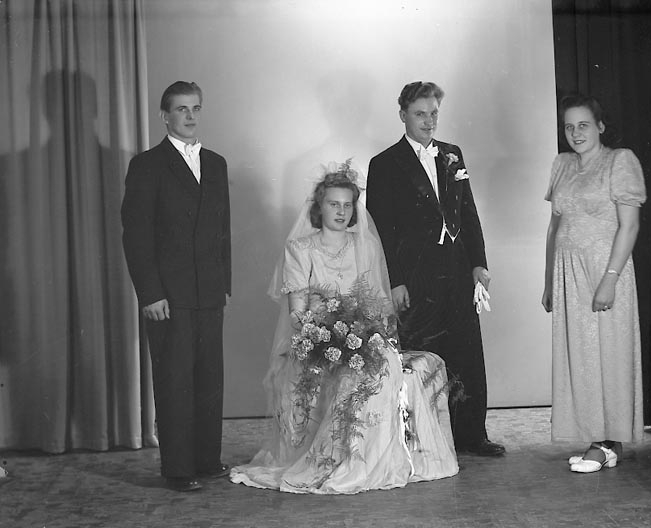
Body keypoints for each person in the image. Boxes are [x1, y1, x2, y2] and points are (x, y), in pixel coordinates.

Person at [229, 161, 458, 494]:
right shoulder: (300, 249)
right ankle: (345, 461)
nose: (340, 211)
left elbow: (379, 305)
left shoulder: (366, 246)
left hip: (361, 338)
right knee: (357, 374)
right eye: (333, 204)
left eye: (347, 205)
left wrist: (369, 336)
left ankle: (375, 460)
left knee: (395, 365)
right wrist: (327, 338)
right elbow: (298, 316)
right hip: (317, 343)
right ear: (319, 207)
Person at [366, 81, 504, 457]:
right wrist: (395, 281)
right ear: (403, 115)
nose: (428, 121)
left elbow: (468, 214)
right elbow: (382, 230)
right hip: (415, 278)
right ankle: (423, 440)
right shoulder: (384, 164)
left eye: (433, 114)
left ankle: (472, 436)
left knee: (467, 355)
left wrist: (479, 263)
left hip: (457, 273)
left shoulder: (453, 155)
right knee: (421, 358)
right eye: (420, 114)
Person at [121, 81, 231, 491]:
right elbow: (136, 235)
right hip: (168, 295)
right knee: (175, 381)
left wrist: (223, 282)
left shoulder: (215, 163)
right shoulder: (147, 165)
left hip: (209, 292)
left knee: (209, 379)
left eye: (195, 108)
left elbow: (222, 229)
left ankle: (206, 459)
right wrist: (150, 293)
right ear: (164, 116)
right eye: (181, 109)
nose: (190, 116)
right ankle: (179, 469)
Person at [542, 94, 646, 473]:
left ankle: (605, 444)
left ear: (600, 126)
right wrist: (549, 281)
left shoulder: (620, 161)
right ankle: (600, 441)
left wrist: (610, 280)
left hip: (604, 270)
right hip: (568, 274)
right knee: (582, 358)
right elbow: (554, 228)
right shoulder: (562, 164)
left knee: (608, 356)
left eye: (583, 125)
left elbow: (629, 226)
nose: (575, 133)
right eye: (569, 126)